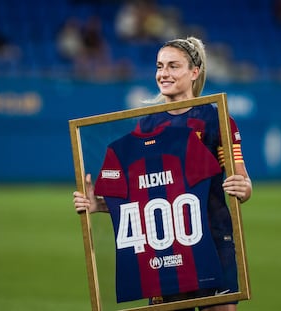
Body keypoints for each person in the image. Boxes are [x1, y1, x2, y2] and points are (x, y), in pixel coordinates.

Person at [73, 36, 252, 311]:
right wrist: (99, 204)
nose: (163, 73)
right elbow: (142, 195)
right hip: (166, 249)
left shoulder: (217, 118)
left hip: (214, 240)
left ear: (194, 72)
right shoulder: (145, 126)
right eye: (159, 66)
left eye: (173, 66)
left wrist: (243, 187)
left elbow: (242, 181)